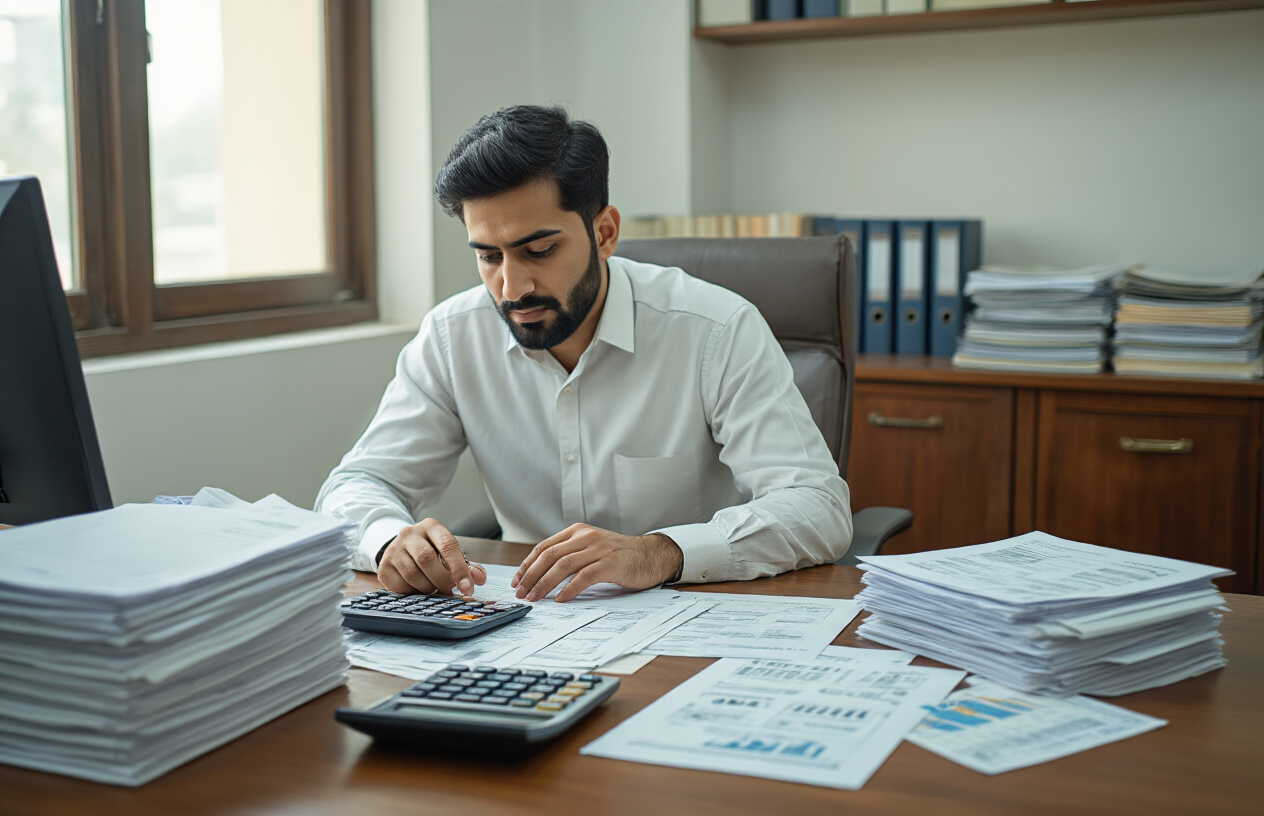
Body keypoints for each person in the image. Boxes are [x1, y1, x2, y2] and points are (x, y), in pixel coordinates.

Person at [316, 105, 851, 603]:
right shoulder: (452, 337)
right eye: (488, 257)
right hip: (525, 622)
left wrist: (660, 551)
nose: (512, 287)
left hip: (693, 611)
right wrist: (389, 541)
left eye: (540, 250)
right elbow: (358, 486)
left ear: (605, 232)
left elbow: (818, 508)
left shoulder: (715, 330)